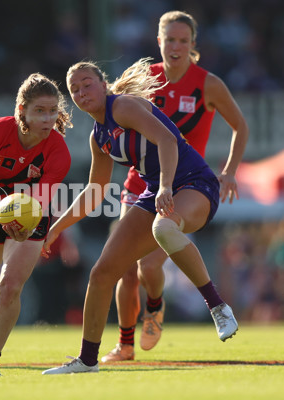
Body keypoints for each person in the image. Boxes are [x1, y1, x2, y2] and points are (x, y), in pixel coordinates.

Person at [42, 59, 238, 375]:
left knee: (164, 228)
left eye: (87, 83)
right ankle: (87, 360)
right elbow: (94, 191)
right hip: (156, 192)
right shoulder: (98, 136)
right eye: (74, 89)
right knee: (102, 272)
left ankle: (218, 307)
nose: (81, 92)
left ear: (103, 85)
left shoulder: (124, 107)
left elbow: (168, 140)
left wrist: (163, 187)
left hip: (194, 183)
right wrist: (55, 229)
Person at [102, 10, 249, 362]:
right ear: (159, 42)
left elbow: (240, 127)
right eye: (169, 39)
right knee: (124, 266)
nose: (176, 46)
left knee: (149, 267)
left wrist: (228, 171)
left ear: (193, 45)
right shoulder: (143, 79)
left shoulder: (207, 84)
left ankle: (155, 306)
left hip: (183, 185)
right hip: (139, 182)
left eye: (183, 40)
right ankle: (124, 346)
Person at [0, 73, 72, 378]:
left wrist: (25, 225)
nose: (48, 119)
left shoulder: (58, 152)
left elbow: (40, 200)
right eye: (39, 111)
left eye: (53, 111)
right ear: (21, 109)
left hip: (28, 206)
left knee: (8, 287)